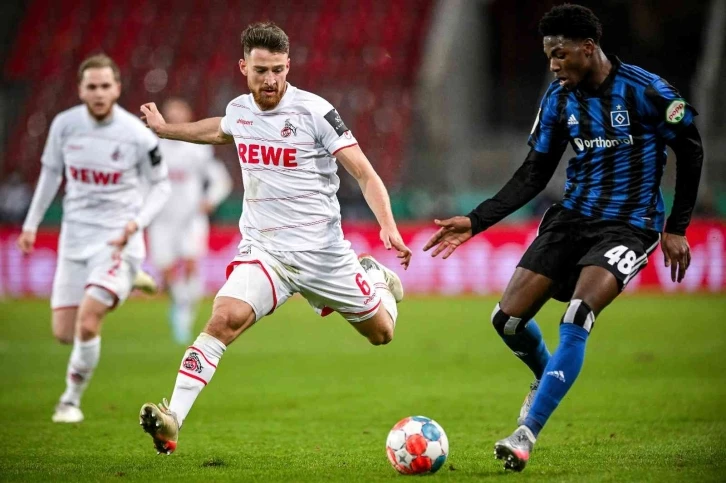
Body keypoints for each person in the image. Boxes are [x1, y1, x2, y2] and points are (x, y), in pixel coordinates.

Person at [423, 4, 702, 472]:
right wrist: (476, 221)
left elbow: (690, 147)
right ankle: (544, 377)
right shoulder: (558, 99)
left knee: (578, 314)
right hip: (571, 219)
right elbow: (534, 173)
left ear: (588, 48)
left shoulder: (647, 91)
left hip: (630, 225)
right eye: (548, 55)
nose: (553, 65)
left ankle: (526, 433)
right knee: (506, 321)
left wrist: (676, 227)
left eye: (560, 54)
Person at [138, 22, 412, 454]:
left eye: (278, 70)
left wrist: (388, 225)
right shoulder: (240, 110)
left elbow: (364, 172)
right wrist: (165, 129)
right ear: (243, 67)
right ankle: (173, 418)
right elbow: (219, 130)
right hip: (266, 252)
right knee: (223, 319)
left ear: (289, 66)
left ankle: (374, 277)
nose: (270, 80)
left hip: (323, 255)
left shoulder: (316, 112)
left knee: (382, 334)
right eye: (261, 70)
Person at [16, 54, 171, 423]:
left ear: (117, 89)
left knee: (88, 322)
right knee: (63, 333)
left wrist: (136, 223)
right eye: (92, 87)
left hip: (118, 240)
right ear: (81, 90)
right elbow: (51, 174)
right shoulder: (64, 125)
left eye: (105, 86)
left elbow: (161, 185)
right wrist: (31, 224)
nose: (99, 93)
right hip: (74, 238)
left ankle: (69, 402)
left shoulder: (136, 134)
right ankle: (130, 280)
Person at [147, 98, 233, 344]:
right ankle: (181, 303)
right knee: (166, 271)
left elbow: (220, 180)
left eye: (179, 115)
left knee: (191, 264)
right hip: (162, 219)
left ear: (187, 118)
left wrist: (210, 199)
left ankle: (184, 315)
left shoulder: (198, 148)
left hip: (191, 219)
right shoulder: (153, 148)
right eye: (171, 115)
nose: (175, 119)